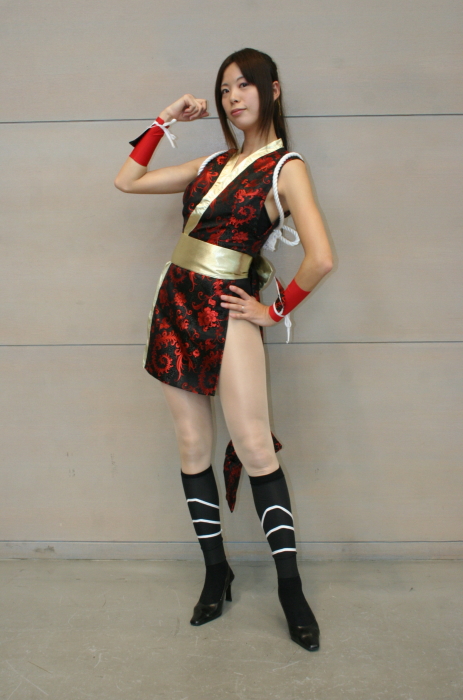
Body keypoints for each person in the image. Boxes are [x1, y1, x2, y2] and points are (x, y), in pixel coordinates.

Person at [114, 48, 333, 652]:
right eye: (225, 89)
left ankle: (291, 589)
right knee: (192, 445)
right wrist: (163, 120)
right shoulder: (212, 162)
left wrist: (273, 310)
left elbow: (321, 257)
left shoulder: (285, 167)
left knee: (255, 445)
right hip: (175, 305)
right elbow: (127, 180)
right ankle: (217, 572)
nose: (233, 97)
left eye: (245, 85)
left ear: (273, 90)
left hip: (228, 309)